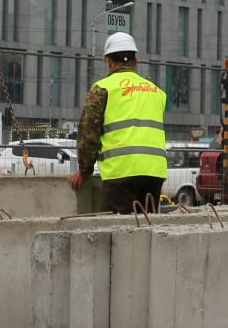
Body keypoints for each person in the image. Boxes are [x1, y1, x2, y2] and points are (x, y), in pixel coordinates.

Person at [68, 32, 168, 214]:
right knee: (146, 229)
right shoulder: (156, 92)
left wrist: (84, 170)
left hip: (121, 173)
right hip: (155, 172)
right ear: (135, 61)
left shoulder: (103, 88)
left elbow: (88, 134)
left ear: (109, 61)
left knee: (116, 230)